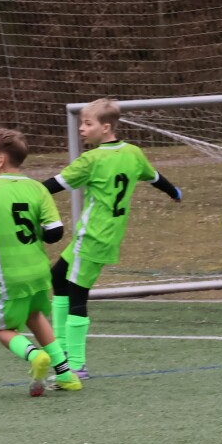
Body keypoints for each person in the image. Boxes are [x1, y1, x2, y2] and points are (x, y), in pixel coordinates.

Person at [42, 97, 181, 378]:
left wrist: (20, 192)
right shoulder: (133, 153)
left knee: (78, 294)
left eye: (87, 123)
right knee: (57, 277)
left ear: (105, 128)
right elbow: (155, 178)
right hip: (107, 235)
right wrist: (174, 192)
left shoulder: (92, 160)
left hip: (92, 235)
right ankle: (62, 350)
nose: (81, 128)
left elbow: (54, 185)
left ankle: (75, 364)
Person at [0, 128, 82, 396]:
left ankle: (35, 356)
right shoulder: (37, 188)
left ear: (0, 160)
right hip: (39, 271)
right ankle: (66, 374)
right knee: (35, 316)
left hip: (12, 276)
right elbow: (55, 232)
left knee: (3, 329)